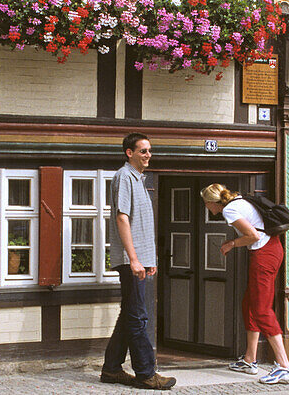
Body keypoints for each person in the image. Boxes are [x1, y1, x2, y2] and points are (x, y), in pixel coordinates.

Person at [101, 133, 176, 390]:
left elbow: (141, 224)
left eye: (150, 151)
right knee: (138, 317)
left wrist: (148, 259)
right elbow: (123, 219)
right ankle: (146, 373)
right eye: (143, 151)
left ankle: (111, 370)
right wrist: (134, 259)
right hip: (130, 260)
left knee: (129, 314)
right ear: (129, 153)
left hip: (139, 260)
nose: (148, 155)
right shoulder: (124, 177)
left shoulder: (139, 180)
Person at [201, 183, 289, 385]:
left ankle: (284, 366)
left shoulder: (230, 209)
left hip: (265, 254)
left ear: (212, 202)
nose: (207, 208)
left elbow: (252, 235)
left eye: (206, 204)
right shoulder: (238, 200)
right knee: (250, 305)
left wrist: (231, 244)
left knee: (261, 310)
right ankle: (249, 360)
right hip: (268, 250)